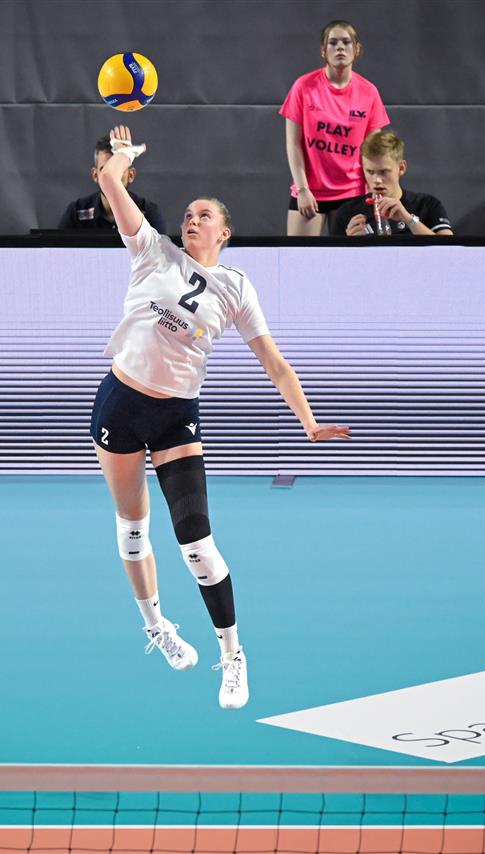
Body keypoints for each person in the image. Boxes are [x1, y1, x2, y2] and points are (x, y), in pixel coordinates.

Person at [90, 125, 350, 710]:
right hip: (121, 405)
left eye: (203, 215)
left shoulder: (235, 288)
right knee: (133, 526)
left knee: (197, 543)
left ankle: (233, 655)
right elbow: (108, 179)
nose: (191, 220)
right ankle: (157, 626)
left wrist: (308, 421)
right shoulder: (151, 250)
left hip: (176, 415)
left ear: (223, 233)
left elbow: (275, 363)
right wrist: (125, 154)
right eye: (187, 214)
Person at [281, 19, 391, 236]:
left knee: (350, 257)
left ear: (357, 49)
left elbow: (374, 151)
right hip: (310, 193)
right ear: (323, 50)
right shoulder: (303, 87)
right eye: (333, 43)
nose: (340, 47)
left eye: (346, 42)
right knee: (299, 256)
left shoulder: (369, 92)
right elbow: (293, 144)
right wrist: (302, 189)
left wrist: (374, 190)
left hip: (352, 194)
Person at [328, 131, 454, 237]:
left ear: (401, 168)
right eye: (370, 172)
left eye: (384, 172)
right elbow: (335, 258)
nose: (377, 180)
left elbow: (449, 250)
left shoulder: (427, 205)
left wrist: (408, 219)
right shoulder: (348, 212)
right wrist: (349, 244)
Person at [58, 134, 166, 233]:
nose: (111, 178)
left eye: (119, 170)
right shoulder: (76, 213)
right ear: (95, 175)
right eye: (105, 170)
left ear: (131, 175)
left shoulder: (148, 214)